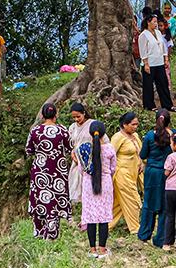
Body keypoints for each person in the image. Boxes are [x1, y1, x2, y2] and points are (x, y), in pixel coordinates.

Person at [25, 103, 72, 239]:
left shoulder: (35, 131)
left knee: (40, 200)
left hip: (40, 172)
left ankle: (39, 233)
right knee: (54, 202)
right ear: (56, 115)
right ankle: (52, 235)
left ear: (42, 116)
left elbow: (29, 150)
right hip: (58, 172)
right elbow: (69, 149)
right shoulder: (63, 130)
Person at [78, 119, 117, 258]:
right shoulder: (110, 148)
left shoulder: (84, 149)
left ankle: (92, 249)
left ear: (90, 133)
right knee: (104, 216)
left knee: (90, 217)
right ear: (103, 133)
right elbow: (113, 169)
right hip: (105, 184)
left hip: (88, 185)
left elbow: (81, 170)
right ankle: (103, 249)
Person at [138, 109, 174, 246]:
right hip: (168, 173)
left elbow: (143, 155)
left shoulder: (149, 136)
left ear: (155, 120)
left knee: (148, 201)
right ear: (169, 121)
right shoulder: (175, 135)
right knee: (165, 205)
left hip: (152, 172)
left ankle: (144, 233)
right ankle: (161, 238)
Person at [109, 112, 143, 234]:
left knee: (119, 203)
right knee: (134, 200)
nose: (135, 127)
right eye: (132, 125)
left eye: (136, 124)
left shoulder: (136, 136)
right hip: (122, 174)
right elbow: (109, 156)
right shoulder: (118, 137)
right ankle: (136, 229)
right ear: (124, 124)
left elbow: (139, 153)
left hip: (134, 174)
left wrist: (141, 163)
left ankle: (105, 226)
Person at [139, 14, 174, 112]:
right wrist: (146, 63)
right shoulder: (144, 35)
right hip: (150, 63)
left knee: (163, 84)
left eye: (156, 21)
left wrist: (165, 58)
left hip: (159, 62)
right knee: (148, 85)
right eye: (154, 22)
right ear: (148, 22)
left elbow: (163, 46)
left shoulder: (158, 33)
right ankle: (149, 105)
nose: (156, 24)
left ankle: (167, 104)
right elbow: (143, 50)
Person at [67, 103, 92, 216]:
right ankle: (80, 213)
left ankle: (89, 213)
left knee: (89, 188)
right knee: (76, 185)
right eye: (74, 117)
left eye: (78, 117)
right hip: (76, 161)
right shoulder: (72, 127)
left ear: (84, 113)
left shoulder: (92, 125)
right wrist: (73, 156)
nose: (76, 119)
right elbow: (71, 145)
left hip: (90, 162)